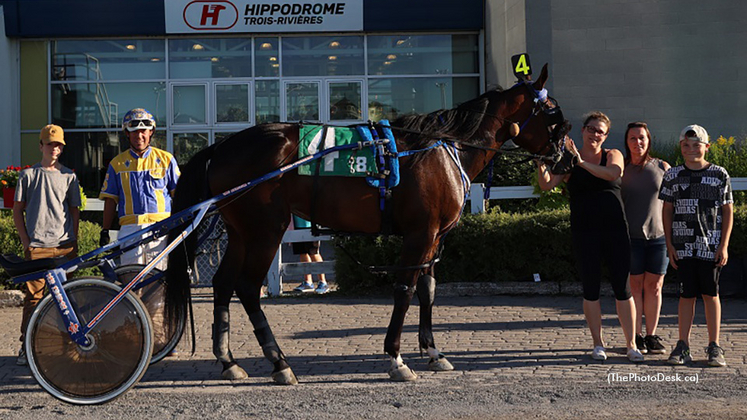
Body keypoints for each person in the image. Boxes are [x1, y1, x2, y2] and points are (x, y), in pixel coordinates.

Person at [537, 111, 643, 362]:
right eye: (591, 129)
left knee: (623, 288)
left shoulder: (612, 154)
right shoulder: (568, 160)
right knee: (591, 289)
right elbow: (547, 184)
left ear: (606, 136)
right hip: (585, 232)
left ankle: (631, 345)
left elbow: (613, 173)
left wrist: (581, 163)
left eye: (600, 131)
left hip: (616, 231)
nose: (595, 134)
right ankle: (598, 344)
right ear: (582, 131)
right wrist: (540, 162)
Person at [660, 124, 733, 367]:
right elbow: (667, 210)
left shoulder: (720, 174)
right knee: (686, 295)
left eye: (696, 145)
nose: (691, 149)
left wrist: (723, 245)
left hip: (710, 245)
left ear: (706, 147)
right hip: (683, 246)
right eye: (686, 145)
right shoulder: (672, 175)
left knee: (711, 294)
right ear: (681, 147)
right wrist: (670, 243)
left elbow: (727, 211)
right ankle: (683, 344)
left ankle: (714, 345)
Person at [13, 124, 81, 366]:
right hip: (38, 247)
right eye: (50, 144)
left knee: (67, 298)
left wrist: (74, 242)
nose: (54, 148)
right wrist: (26, 241)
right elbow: (17, 210)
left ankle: (67, 344)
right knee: (34, 298)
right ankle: (27, 346)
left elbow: (74, 212)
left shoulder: (69, 176)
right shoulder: (28, 175)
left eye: (58, 145)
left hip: (64, 247)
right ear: (41, 145)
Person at [99, 108, 179, 271]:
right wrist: (105, 230)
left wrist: (179, 223)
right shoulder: (116, 164)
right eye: (134, 131)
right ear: (127, 133)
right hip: (130, 230)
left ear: (151, 132)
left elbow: (178, 195)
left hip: (160, 229)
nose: (139, 136)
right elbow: (110, 200)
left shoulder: (166, 160)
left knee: (158, 282)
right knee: (130, 280)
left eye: (143, 131)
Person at [621, 122, 671, 355]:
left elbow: (674, 204)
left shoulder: (662, 166)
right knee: (635, 286)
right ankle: (636, 336)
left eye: (642, 138)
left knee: (654, 287)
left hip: (659, 238)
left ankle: (651, 335)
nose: (638, 142)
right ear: (627, 141)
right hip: (631, 239)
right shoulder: (621, 168)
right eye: (633, 138)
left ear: (648, 140)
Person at [291, 215, 330, 294]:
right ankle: (308, 281)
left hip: (310, 225)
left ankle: (323, 281)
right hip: (296, 225)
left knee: (313, 253)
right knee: (302, 253)